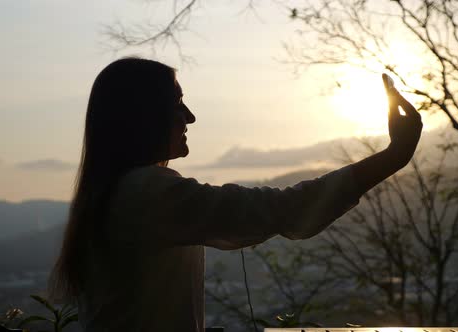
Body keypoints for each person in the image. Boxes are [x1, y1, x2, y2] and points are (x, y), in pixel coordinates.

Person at [47, 57, 422, 332]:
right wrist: (394, 156)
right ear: (142, 116)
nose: (189, 117)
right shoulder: (146, 192)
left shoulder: (118, 191)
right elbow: (283, 209)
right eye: (176, 104)